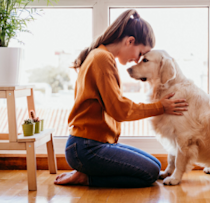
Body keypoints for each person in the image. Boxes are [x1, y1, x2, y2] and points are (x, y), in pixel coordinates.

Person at [54, 9, 188, 188]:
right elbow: (119, 110)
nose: (136, 60)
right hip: (86, 148)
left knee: (156, 166)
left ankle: (87, 171)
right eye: (140, 54)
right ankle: (86, 177)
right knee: (149, 173)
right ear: (130, 41)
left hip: (94, 145)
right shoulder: (101, 59)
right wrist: (160, 107)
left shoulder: (102, 56)